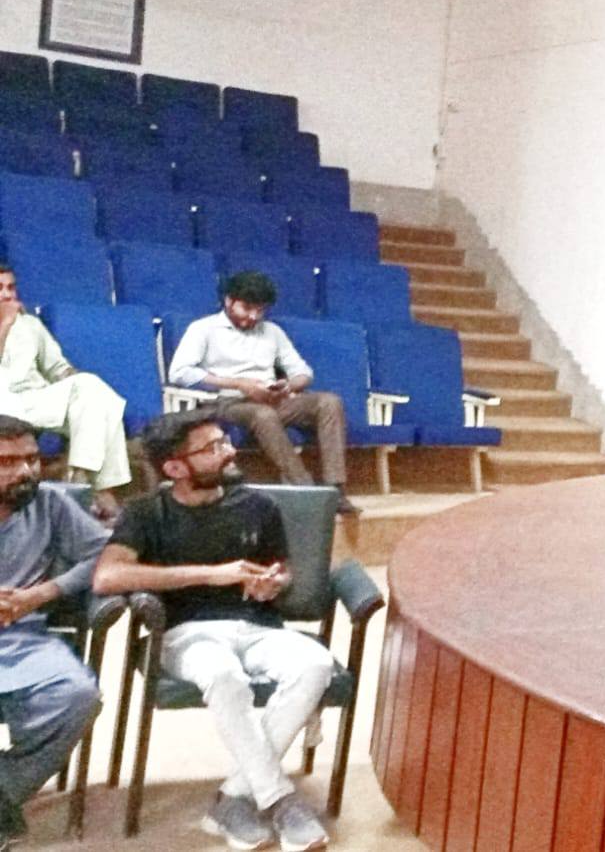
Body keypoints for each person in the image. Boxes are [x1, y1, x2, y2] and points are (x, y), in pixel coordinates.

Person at [93, 410, 333, 852]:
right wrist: (210, 574)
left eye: (225, 441)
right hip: (185, 633)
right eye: (213, 448)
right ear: (175, 467)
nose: (230, 452)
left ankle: (234, 798)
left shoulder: (258, 506)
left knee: (316, 663)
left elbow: (281, 568)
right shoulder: (146, 513)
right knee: (224, 676)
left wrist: (274, 582)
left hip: (257, 626)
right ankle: (279, 800)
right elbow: (107, 577)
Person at [0, 415, 109, 851]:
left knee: (78, 696)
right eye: (8, 462)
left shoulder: (49, 503)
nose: (26, 471)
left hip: (23, 637)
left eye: (31, 459)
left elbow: (107, 554)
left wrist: (41, 594)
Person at [167, 271, 357, 517]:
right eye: (246, 308)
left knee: (329, 402)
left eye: (260, 310)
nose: (253, 317)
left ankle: (336, 488)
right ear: (228, 301)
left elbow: (303, 372)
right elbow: (179, 373)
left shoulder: (272, 331)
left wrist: (289, 386)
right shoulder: (203, 329)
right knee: (263, 415)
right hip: (226, 402)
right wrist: (239, 384)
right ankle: (306, 489)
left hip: (271, 399)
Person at [0, 265, 132, 520]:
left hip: (33, 399)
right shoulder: (9, 320)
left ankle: (80, 476)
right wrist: (5, 322)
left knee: (95, 391)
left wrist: (75, 382)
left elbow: (57, 367)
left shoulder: (30, 324)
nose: (7, 295)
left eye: (11, 287)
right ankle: (100, 490)